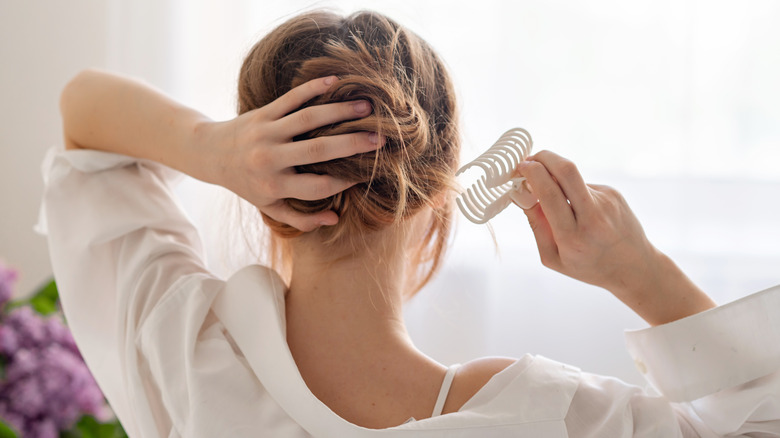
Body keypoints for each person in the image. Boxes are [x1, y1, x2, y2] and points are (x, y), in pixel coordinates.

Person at [40, 10, 779, 438]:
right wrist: (639, 271)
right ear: (437, 199)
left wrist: (210, 149)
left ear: (261, 183)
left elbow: (83, 114)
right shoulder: (547, 418)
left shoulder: (180, 349)